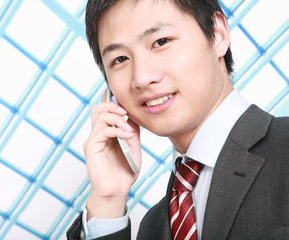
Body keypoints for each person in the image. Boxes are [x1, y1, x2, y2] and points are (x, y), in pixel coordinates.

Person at [67, 0, 289, 239]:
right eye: (120, 59)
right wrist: (107, 202)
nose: (141, 77)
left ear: (217, 34)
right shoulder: (152, 228)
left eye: (161, 42)